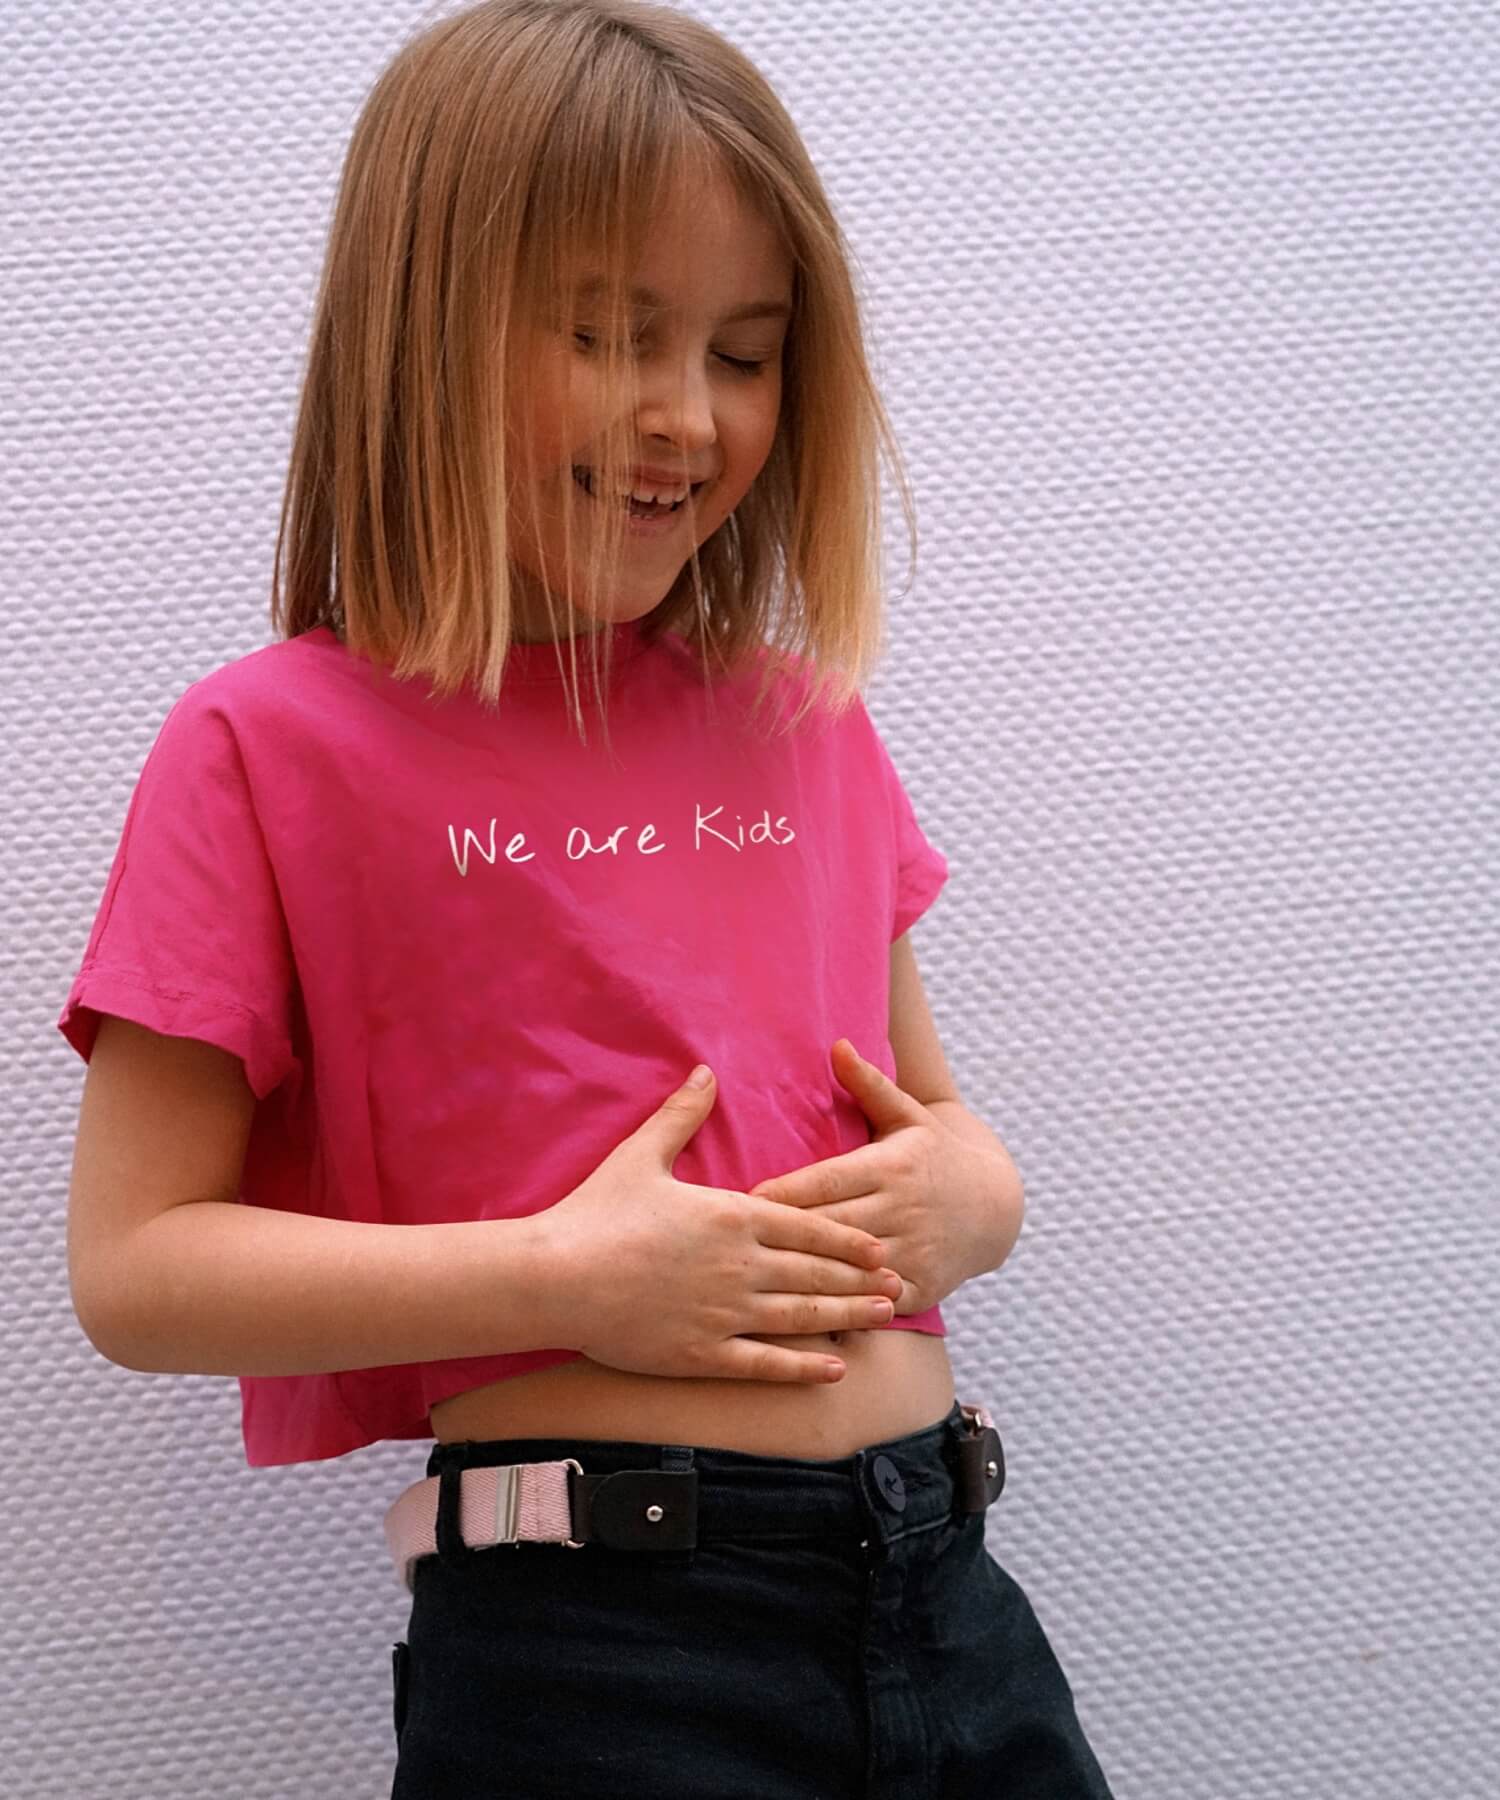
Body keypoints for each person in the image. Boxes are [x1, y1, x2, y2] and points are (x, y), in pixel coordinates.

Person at [56, 2, 1117, 1794]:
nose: (686, 417)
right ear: (424, 324)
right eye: (614, 335)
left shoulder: (802, 717)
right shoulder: (265, 746)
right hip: (599, 1659)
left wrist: (981, 1194)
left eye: (747, 352)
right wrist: (568, 1278)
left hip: (952, 1589)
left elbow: (941, 1123)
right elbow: (137, 1271)